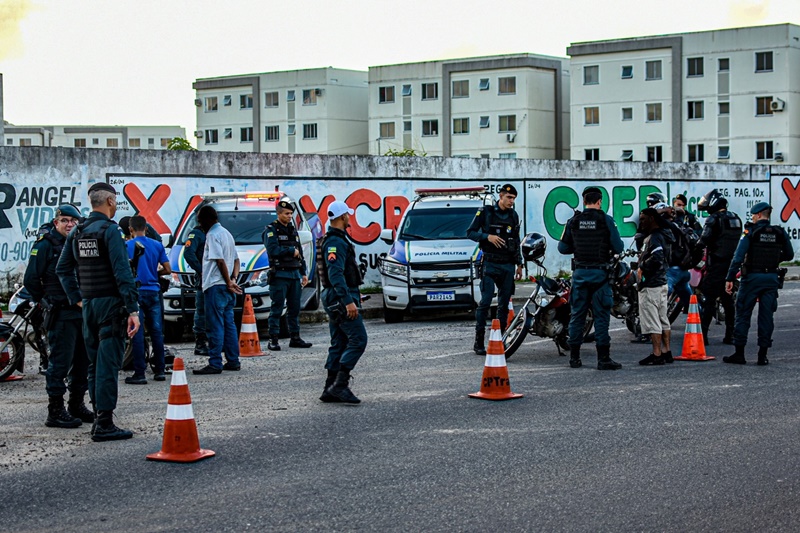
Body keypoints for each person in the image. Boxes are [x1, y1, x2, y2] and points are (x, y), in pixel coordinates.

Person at [56, 182, 140, 442]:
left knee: (94, 365)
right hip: (110, 307)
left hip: (89, 307)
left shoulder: (78, 231)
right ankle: (104, 423)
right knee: (107, 366)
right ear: (111, 203)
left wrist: (78, 298)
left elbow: (63, 269)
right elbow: (122, 272)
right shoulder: (110, 230)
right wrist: (133, 309)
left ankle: (99, 418)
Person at [23, 204, 93, 428]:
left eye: (73, 221)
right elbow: (31, 280)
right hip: (61, 313)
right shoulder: (45, 246)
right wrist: (45, 302)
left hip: (82, 312)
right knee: (60, 363)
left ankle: (76, 405)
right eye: (64, 220)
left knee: (83, 362)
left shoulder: (78, 242)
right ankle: (55, 410)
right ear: (56, 223)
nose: (69, 224)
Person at [558, 186, 624, 370]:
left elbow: (563, 248)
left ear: (584, 201)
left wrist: (578, 247)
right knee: (601, 316)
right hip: (600, 275)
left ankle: (574, 358)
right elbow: (618, 247)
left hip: (580, 275)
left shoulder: (573, 221)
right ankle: (603, 359)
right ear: (599, 201)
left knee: (577, 316)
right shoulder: (606, 220)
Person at [723, 202, 794, 365]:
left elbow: (738, 257)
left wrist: (730, 278)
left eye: (754, 215)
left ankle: (739, 354)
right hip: (771, 279)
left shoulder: (750, 232)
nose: (752, 217)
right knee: (766, 317)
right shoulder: (779, 232)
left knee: (742, 314)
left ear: (760, 214)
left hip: (752, 278)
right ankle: (763, 355)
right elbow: (789, 255)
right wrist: (775, 258)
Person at [317, 201, 367, 404]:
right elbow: (335, 273)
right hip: (339, 298)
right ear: (342, 217)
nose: (349, 217)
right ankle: (340, 385)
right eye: (347, 214)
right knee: (358, 339)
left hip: (338, 295)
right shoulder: (336, 242)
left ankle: (329, 388)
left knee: (339, 342)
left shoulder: (334, 239)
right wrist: (348, 301)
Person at [466, 184, 523, 356]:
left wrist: (519, 264)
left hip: (507, 265)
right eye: (509, 198)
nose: (511, 201)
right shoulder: (486, 212)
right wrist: (487, 237)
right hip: (490, 263)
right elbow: (470, 232)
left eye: (513, 198)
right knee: (485, 302)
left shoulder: (513, 215)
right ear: (501, 196)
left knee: (504, 305)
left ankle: (501, 339)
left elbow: (516, 239)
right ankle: (479, 341)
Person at [193, 205, 243, 375]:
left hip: (216, 285)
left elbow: (220, 261)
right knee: (229, 324)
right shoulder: (227, 234)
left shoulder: (213, 235)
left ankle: (215, 362)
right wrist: (234, 279)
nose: (200, 224)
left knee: (215, 325)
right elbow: (236, 260)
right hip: (227, 288)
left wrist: (228, 281)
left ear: (207, 220)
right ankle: (233, 360)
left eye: (200, 221)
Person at [125, 216, 171, 384]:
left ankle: (140, 373)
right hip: (153, 291)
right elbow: (168, 269)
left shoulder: (126, 246)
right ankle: (160, 371)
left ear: (130, 229)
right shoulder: (157, 245)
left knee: (136, 332)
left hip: (136, 292)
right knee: (156, 332)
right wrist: (154, 274)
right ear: (146, 228)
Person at [263, 200, 312, 351]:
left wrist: (303, 273)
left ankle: (295, 338)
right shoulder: (271, 230)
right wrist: (290, 251)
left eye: (291, 213)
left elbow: (300, 253)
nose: (289, 216)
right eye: (286, 214)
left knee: (294, 308)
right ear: (279, 214)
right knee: (277, 308)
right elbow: (273, 250)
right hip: (280, 275)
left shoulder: (292, 230)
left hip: (294, 274)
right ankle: (273, 339)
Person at [695, 189, 742, 345]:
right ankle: (731, 335)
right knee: (728, 301)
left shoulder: (713, 219)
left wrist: (694, 248)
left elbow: (703, 241)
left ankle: (704, 336)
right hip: (731, 266)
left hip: (716, 265)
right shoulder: (735, 219)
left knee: (708, 300)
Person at [636, 207, 675, 365]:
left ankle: (657, 354)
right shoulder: (665, 235)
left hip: (651, 285)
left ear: (652, 219)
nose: (641, 223)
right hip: (661, 283)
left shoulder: (655, 237)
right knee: (663, 319)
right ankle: (666, 352)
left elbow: (657, 258)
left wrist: (642, 266)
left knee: (653, 322)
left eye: (644, 219)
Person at [183, 222, 208, 356]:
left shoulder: (215, 232)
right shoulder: (197, 233)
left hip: (216, 279)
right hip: (204, 281)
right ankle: (200, 343)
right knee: (202, 311)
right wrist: (201, 270)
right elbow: (188, 253)